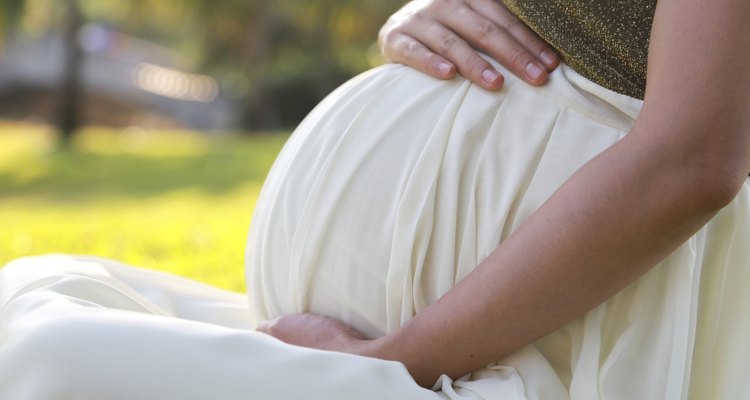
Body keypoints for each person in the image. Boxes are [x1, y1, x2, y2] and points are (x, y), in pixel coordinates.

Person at [1, 0, 749, 399]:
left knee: (56, 360)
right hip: (443, 338)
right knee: (26, 306)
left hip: (565, 336)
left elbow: (695, 154)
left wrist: (391, 363)